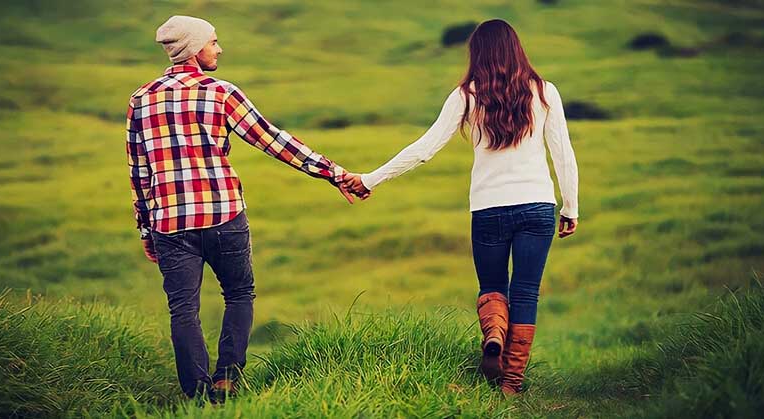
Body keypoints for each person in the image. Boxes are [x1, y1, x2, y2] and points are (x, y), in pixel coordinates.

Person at [125, 15, 356, 402]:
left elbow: (139, 171)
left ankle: (197, 396)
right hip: (224, 215)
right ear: (196, 50)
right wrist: (332, 172)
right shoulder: (221, 93)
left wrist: (146, 229)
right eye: (213, 42)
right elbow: (274, 141)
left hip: (169, 223)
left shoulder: (140, 99)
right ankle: (227, 379)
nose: (219, 48)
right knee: (239, 294)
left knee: (183, 309)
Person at [344, 19, 579, 396]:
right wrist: (571, 207)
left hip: (488, 208)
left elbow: (424, 149)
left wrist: (370, 179)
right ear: (517, 49)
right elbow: (563, 155)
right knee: (525, 292)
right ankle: (512, 383)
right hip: (537, 206)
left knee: (492, 287)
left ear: (477, 54)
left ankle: (495, 337)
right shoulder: (545, 92)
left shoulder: (466, 95)